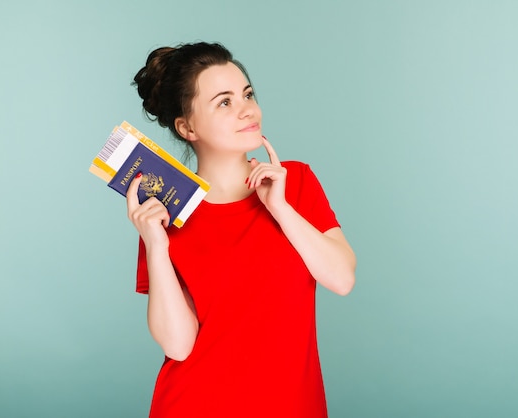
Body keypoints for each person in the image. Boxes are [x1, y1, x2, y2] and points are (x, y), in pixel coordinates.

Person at [127, 41, 356, 418]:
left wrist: (280, 209)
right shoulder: (167, 213)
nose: (247, 109)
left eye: (247, 94)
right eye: (224, 102)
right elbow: (179, 346)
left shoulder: (294, 181)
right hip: (194, 404)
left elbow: (342, 278)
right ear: (187, 127)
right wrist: (155, 244)